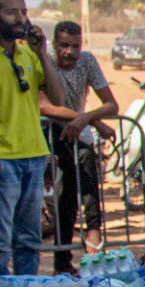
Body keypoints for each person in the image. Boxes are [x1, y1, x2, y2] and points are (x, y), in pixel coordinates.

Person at [0, 0, 65, 277]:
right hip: (1, 161)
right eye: (12, 11)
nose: (21, 18)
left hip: (34, 157)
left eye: (24, 11)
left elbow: (58, 98)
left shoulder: (28, 52)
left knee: (29, 240)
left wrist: (42, 53)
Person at [40, 20, 117, 272]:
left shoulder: (87, 61)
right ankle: (79, 242)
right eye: (63, 45)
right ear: (54, 45)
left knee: (74, 188)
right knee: (75, 174)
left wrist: (87, 117)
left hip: (77, 129)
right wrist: (87, 118)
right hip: (49, 129)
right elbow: (45, 107)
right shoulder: (45, 62)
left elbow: (111, 104)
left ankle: (89, 233)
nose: (69, 52)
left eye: (75, 45)